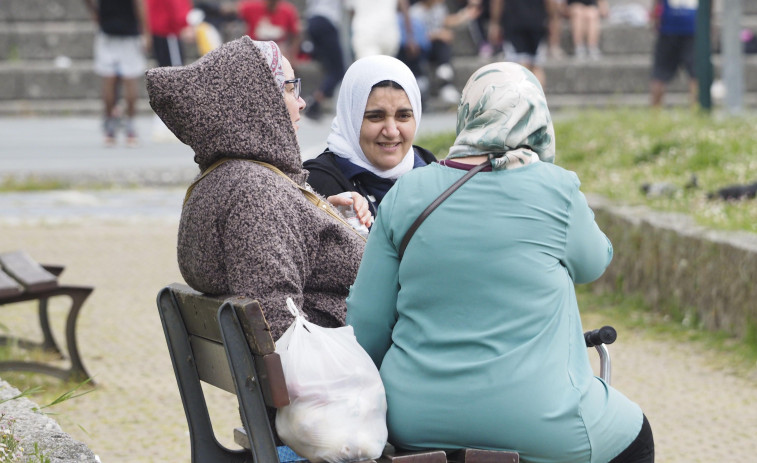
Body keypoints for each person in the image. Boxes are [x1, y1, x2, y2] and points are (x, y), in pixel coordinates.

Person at [345, 62, 654, 462]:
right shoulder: (555, 188)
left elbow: (367, 323)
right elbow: (594, 262)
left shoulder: (408, 191)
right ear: (537, 119)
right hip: (541, 422)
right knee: (637, 434)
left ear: (468, 114)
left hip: (418, 418)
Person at [145, 37, 370, 341]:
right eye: (290, 88)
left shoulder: (230, 181)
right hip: (351, 367)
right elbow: (279, 326)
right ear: (259, 100)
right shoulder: (257, 195)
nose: (301, 101)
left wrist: (315, 218)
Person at [303, 55, 437, 218]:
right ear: (351, 118)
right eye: (376, 116)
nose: (392, 131)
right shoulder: (319, 184)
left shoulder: (430, 169)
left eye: (403, 116)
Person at [82, 0, 150, 147]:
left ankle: (110, 128)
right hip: (130, 33)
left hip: (107, 29)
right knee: (130, 80)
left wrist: (94, 12)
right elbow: (139, 4)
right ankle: (130, 128)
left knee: (108, 80)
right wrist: (146, 32)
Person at [649, 0, 700, 108]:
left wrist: (654, 16)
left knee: (660, 74)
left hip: (669, 27)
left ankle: (655, 113)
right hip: (692, 26)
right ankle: (696, 110)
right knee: (696, 74)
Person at [488, 0, 552, 85]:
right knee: (537, 66)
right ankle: (539, 96)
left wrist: (495, 23)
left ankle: (523, 97)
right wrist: (553, 19)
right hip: (537, 22)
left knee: (519, 66)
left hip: (515, 23)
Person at [302, 0, 346, 120]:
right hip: (327, 21)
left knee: (328, 67)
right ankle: (314, 102)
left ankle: (315, 99)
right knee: (338, 70)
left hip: (312, 21)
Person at [219, 0, 302, 62]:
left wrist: (292, 58)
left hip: (278, 51)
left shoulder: (288, 10)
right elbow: (231, 9)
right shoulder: (252, 6)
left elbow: (295, 35)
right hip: (254, 49)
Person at [145, 0, 194, 67]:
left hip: (158, 28)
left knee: (165, 68)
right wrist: (184, 25)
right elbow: (176, 5)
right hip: (169, 31)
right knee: (175, 70)